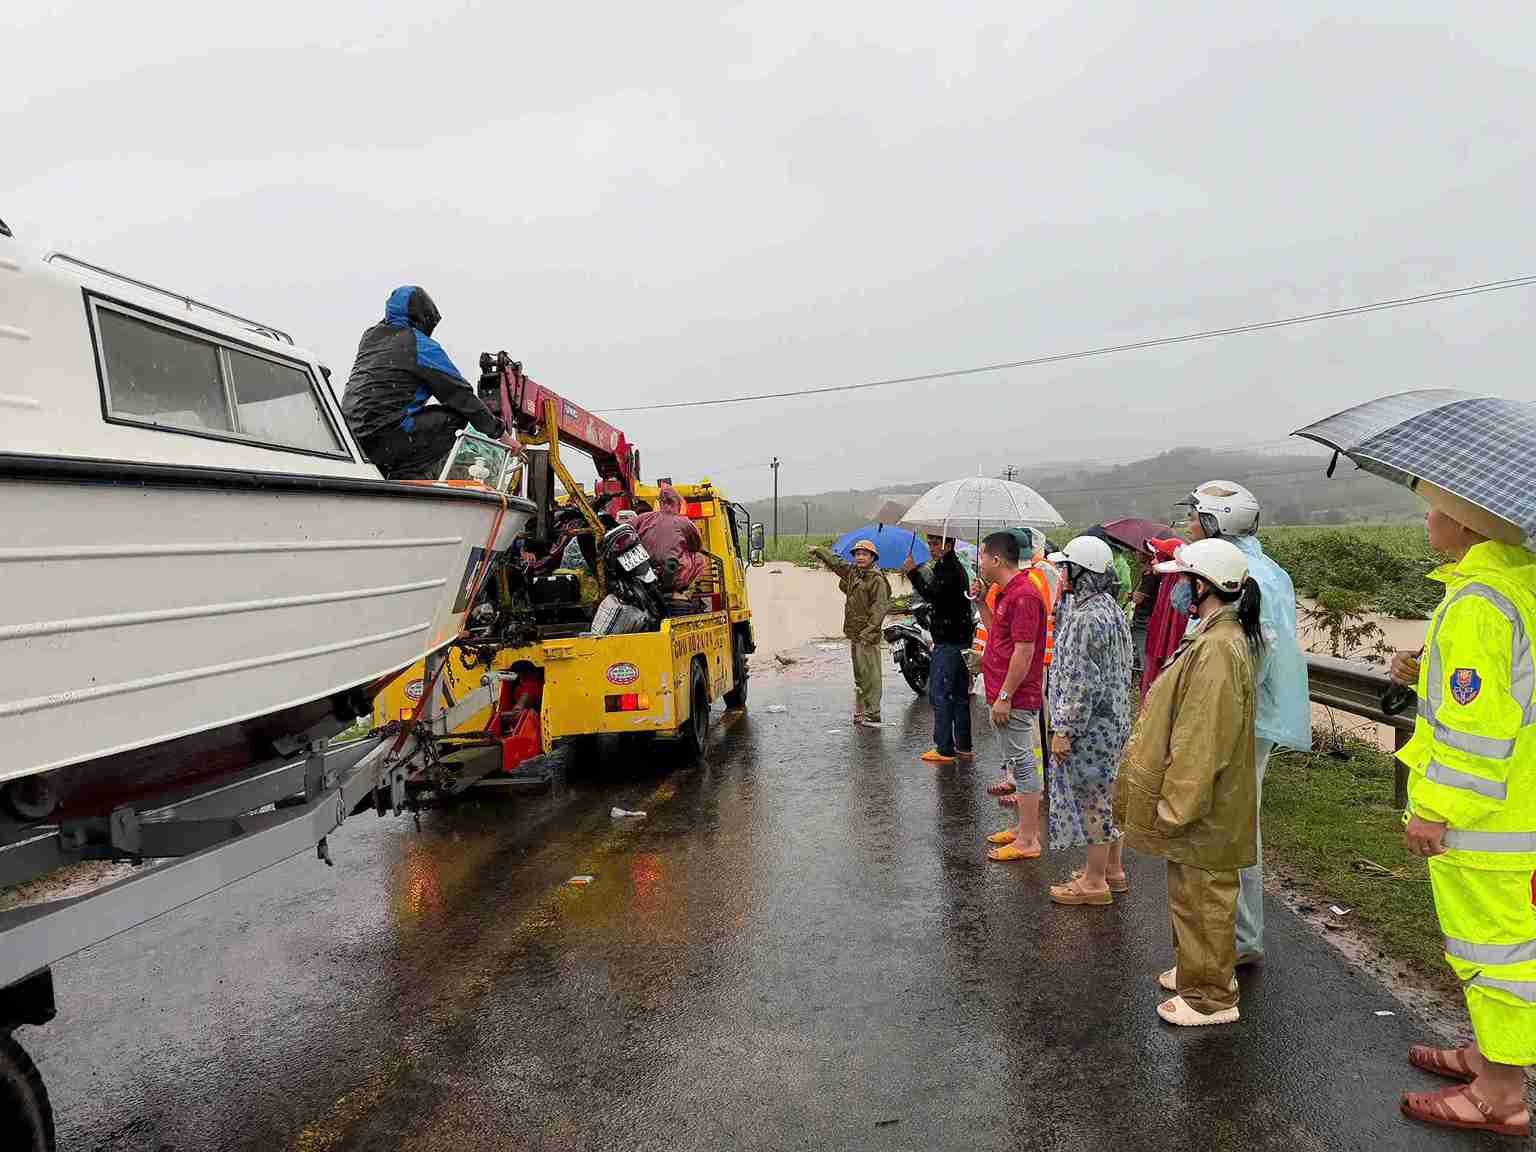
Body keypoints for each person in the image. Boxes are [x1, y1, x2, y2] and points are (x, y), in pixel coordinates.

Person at [1389, 479, 1536, 1138]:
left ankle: (1501, 1094)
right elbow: (1500, 693)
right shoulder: (1517, 590)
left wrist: (1437, 808)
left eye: (1437, 510)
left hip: (1490, 825)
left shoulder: (1478, 605)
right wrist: (1422, 673)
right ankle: (1487, 1055)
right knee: (1498, 948)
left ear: (1466, 525)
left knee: (1496, 953)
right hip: (1518, 810)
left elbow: (1479, 730)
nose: (1428, 521)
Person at [1115, 538, 1263, 1026]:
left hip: (1204, 806)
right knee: (1189, 893)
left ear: (1204, 586)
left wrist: (1177, 808)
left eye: (1183, 581)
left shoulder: (1219, 648)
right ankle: (1197, 972)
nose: (1176, 590)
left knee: (1206, 897)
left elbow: (1203, 741)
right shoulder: (1210, 635)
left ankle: (1212, 998)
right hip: (1200, 803)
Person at [1179, 481, 1310, 967]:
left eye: (1195, 516)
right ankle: (1239, 934)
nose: (1188, 525)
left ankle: (1237, 938)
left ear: (1216, 522)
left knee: (1232, 828)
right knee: (1237, 824)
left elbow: (1248, 652)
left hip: (1241, 721)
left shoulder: (1244, 573)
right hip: (1249, 717)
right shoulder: (1261, 566)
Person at [341, 286, 518, 480]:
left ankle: (382, 472)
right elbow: (460, 395)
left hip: (348, 439)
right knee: (453, 417)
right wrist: (501, 435)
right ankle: (407, 477)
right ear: (422, 318)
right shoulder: (420, 345)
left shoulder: (370, 338)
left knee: (397, 420)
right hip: (382, 441)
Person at [1042, 536, 1134, 905]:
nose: (1062, 574)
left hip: (1090, 727)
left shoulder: (1083, 618)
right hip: (1112, 723)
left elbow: (1081, 682)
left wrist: (1063, 729)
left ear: (1082, 572)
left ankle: (1094, 882)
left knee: (1092, 801)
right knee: (1105, 794)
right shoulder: (1110, 608)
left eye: (1067, 568)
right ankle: (1113, 870)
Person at [974, 531, 1048, 862]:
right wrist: (979, 602)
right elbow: (997, 633)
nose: (980, 562)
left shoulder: (1025, 596)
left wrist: (1005, 695)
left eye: (982, 556)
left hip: (1015, 696)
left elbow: (1024, 651)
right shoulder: (1006, 593)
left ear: (997, 559)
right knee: (1016, 765)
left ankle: (1029, 839)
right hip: (1002, 692)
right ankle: (1022, 828)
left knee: (1022, 763)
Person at [903, 534, 976, 764]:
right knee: (959, 694)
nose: (933, 548)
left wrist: (912, 572)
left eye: (937, 543)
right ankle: (963, 746)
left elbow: (933, 595)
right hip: (959, 638)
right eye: (931, 543)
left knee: (941, 694)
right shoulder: (951, 567)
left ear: (949, 544)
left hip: (949, 641)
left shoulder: (949, 569)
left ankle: (944, 748)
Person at [811, 540, 891, 727]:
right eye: (857, 554)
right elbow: (836, 564)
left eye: (864, 554)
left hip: (867, 636)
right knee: (860, 675)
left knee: (871, 675)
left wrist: (868, 633)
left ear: (872, 557)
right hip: (855, 633)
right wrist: (820, 551)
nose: (860, 557)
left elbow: (879, 610)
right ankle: (863, 711)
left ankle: (873, 714)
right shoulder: (854, 572)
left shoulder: (876, 579)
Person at [635, 486, 708, 591]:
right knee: (699, 558)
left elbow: (627, 527)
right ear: (677, 504)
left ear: (660, 503)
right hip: (673, 577)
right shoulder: (684, 522)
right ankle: (684, 591)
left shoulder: (645, 517)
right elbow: (696, 546)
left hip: (645, 571)